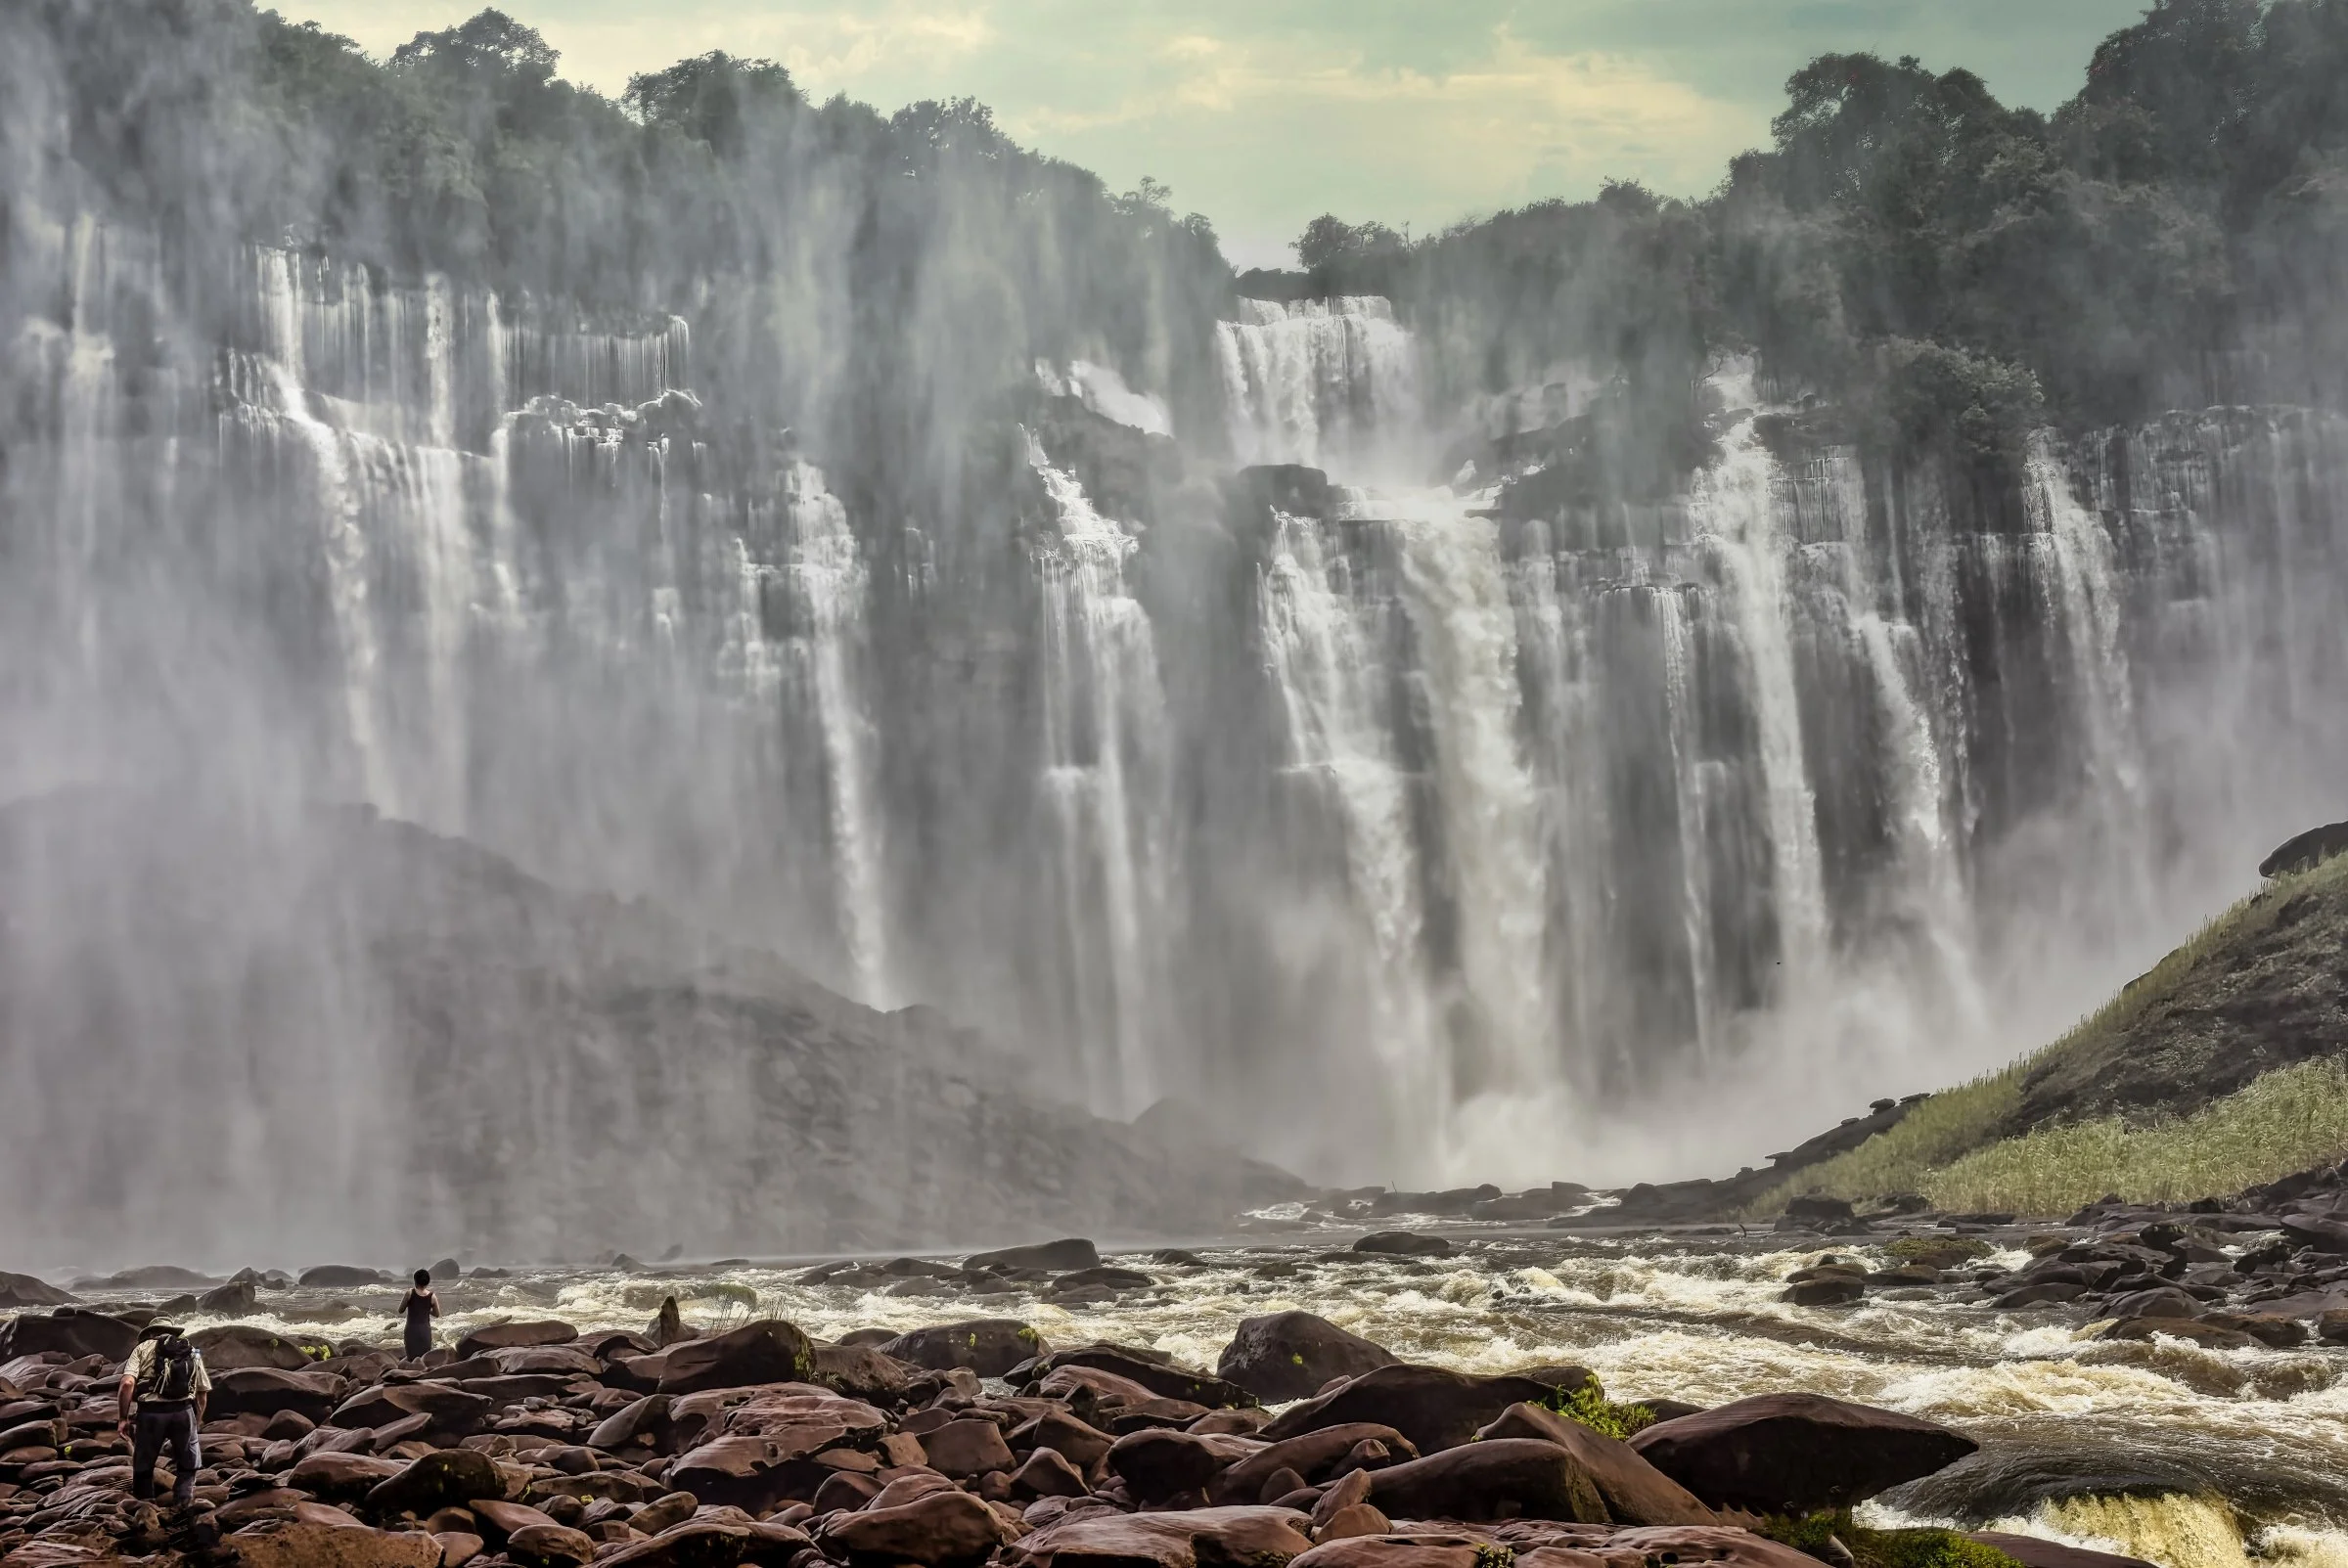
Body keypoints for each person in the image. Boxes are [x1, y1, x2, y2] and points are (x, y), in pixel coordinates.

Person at [116, 1323, 207, 1509]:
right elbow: (202, 1392)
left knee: (143, 1463)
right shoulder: (192, 1350)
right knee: (188, 1464)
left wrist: (123, 1418)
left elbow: (127, 1383)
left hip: (151, 1414)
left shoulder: (142, 1348)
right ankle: (183, 1505)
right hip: (183, 1411)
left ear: (150, 1333)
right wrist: (196, 1419)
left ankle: (146, 1508)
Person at [398, 1269, 440, 1360]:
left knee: (411, 1359)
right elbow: (437, 1314)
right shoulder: (432, 1296)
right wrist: (426, 1309)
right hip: (425, 1332)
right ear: (427, 1282)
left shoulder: (409, 1293)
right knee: (424, 1360)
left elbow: (400, 1310)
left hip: (411, 1331)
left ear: (415, 1280)